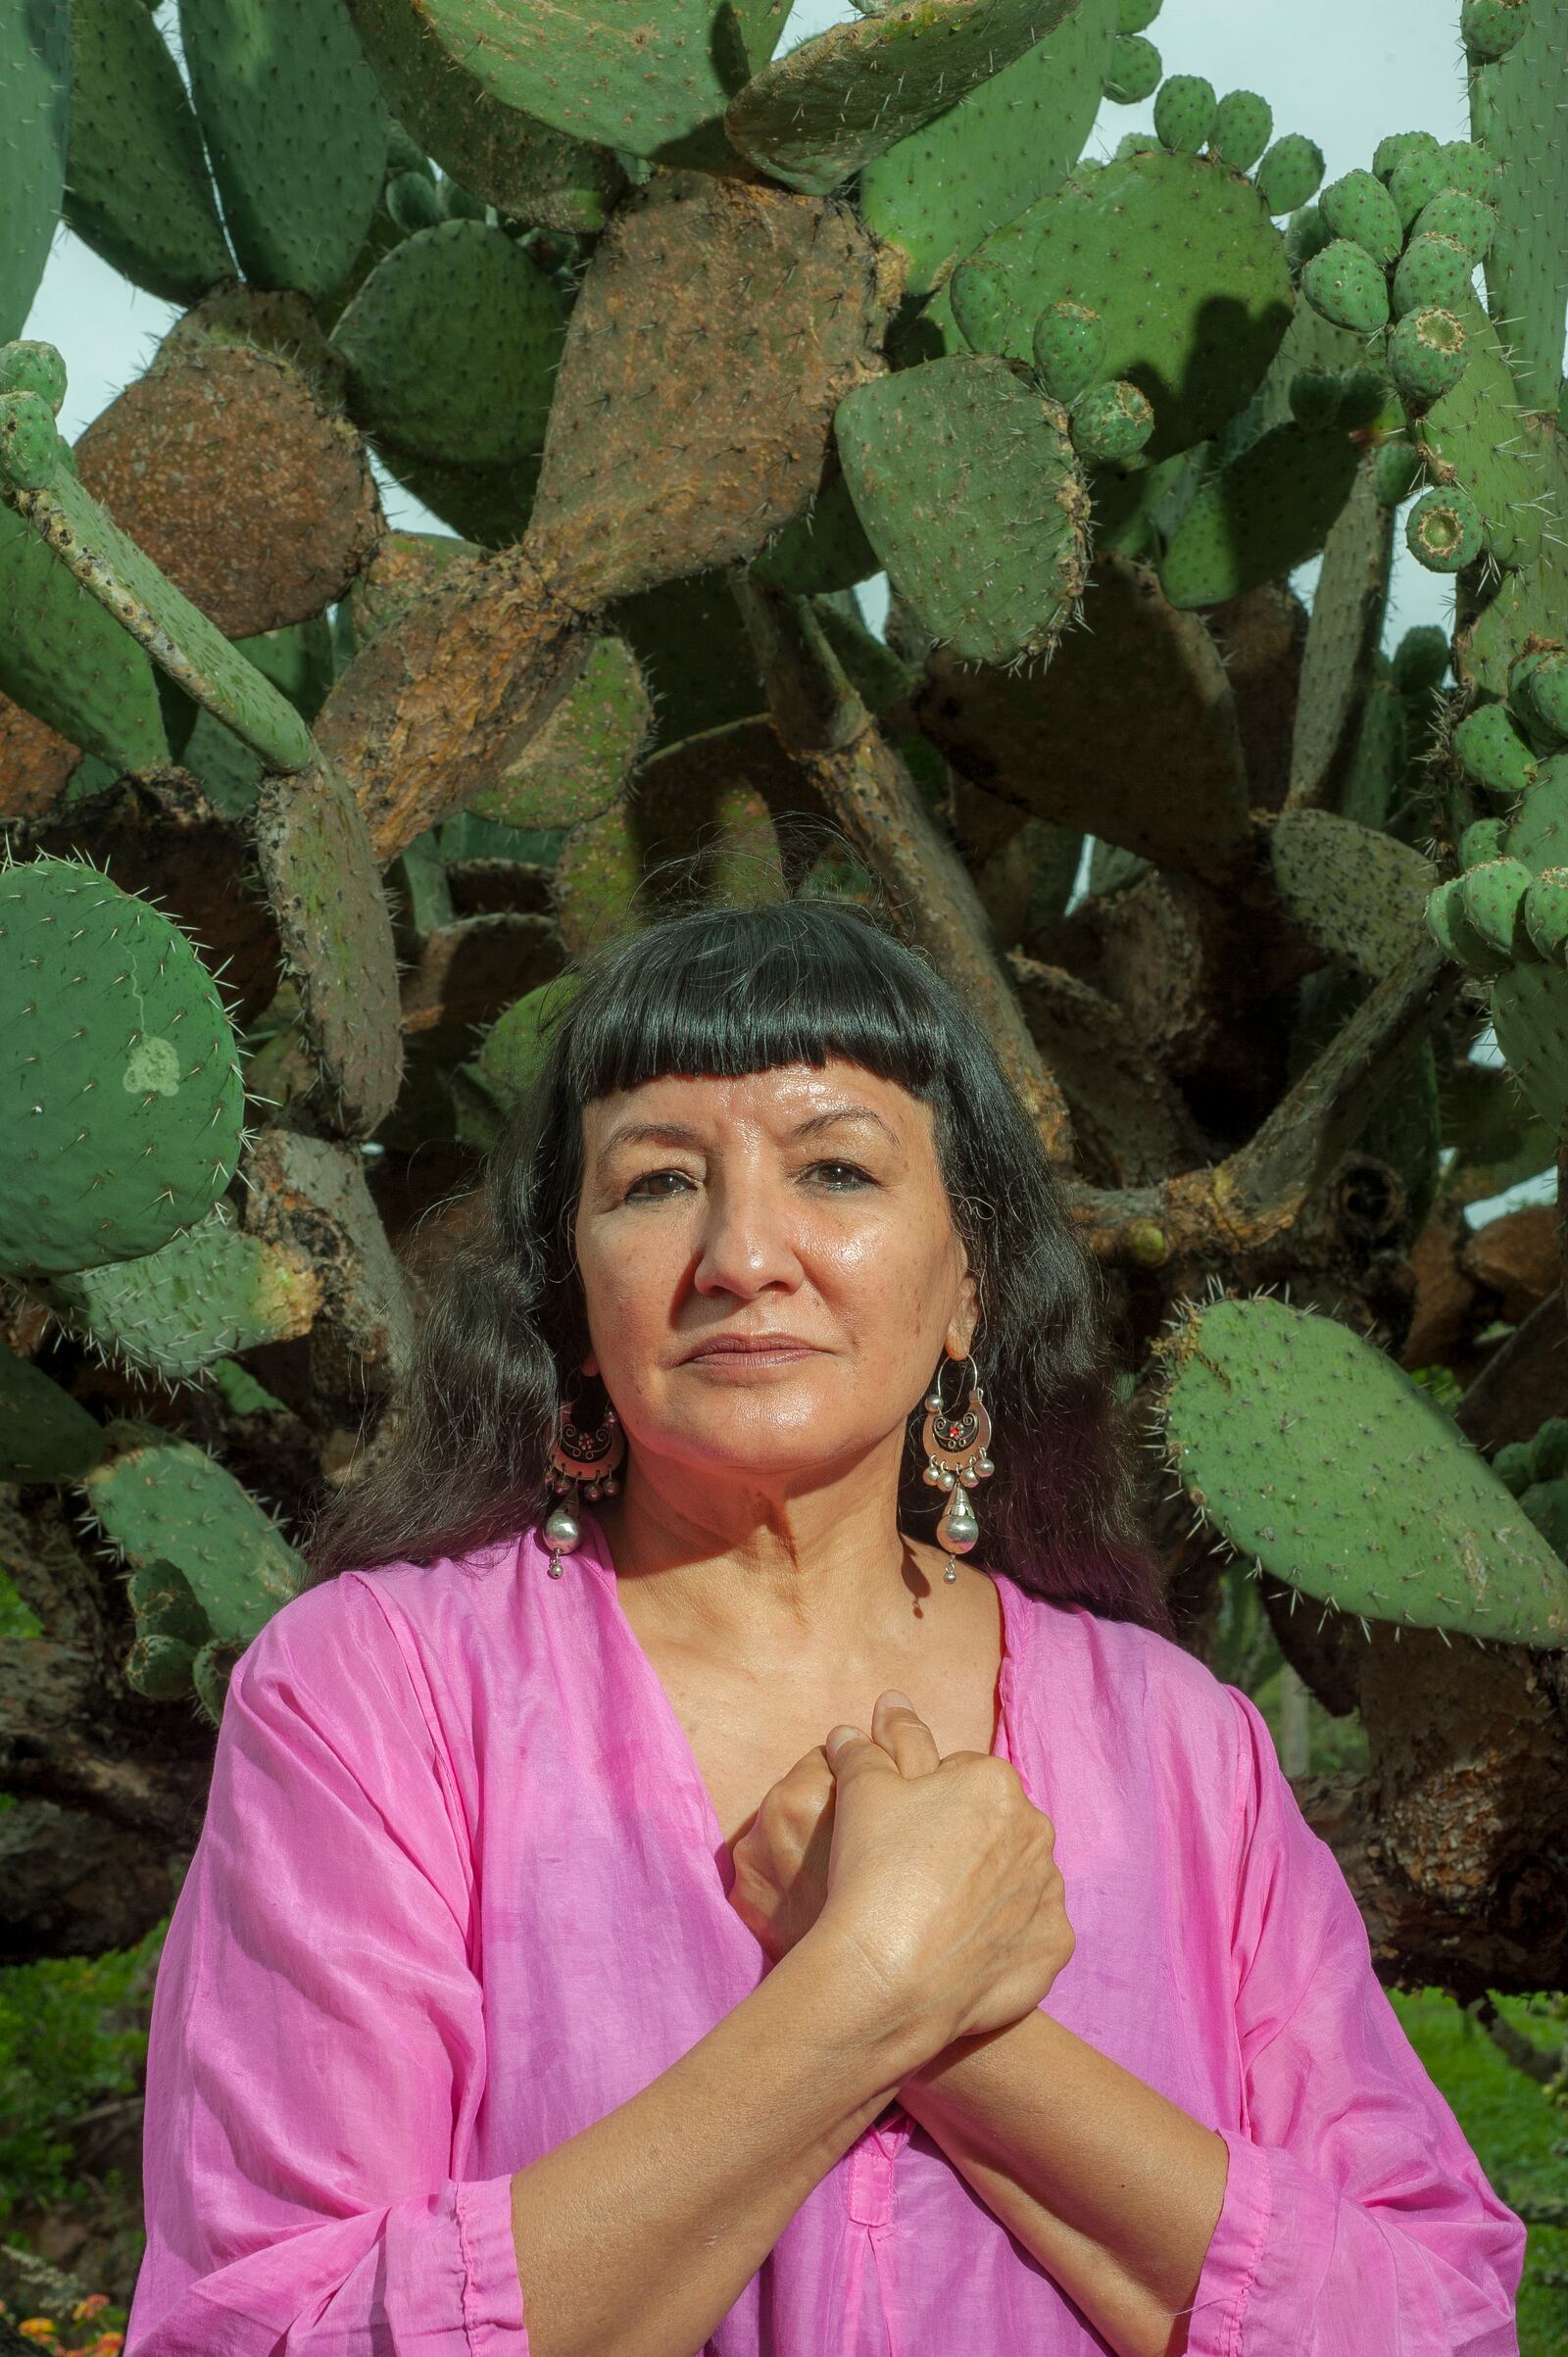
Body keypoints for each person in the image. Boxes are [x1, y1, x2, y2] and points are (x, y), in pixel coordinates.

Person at [124, 891, 1526, 2357]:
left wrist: (970, 2042)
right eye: (658, 1182)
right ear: (573, 1282)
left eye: (837, 1168)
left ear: (967, 1280)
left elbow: (1431, 2320)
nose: (743, 1253)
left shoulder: (1187, 1749)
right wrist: (868, 1989)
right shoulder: (373, 1695)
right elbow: (269, 2328)